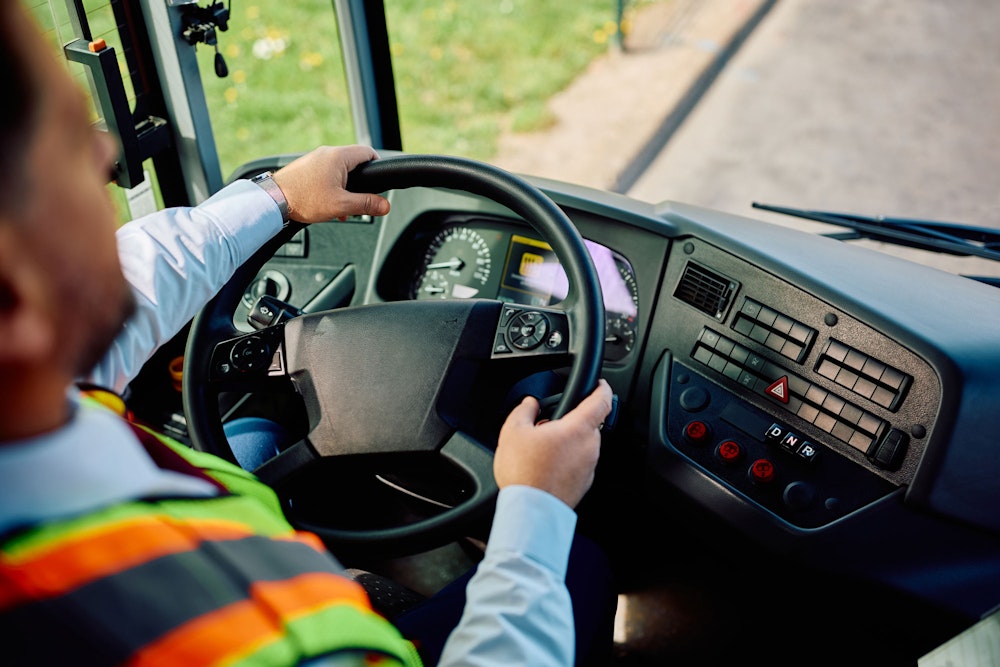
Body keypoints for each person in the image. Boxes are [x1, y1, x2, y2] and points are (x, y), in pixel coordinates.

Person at [0, 2, 615, 665]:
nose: (105, 150)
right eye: (69, 141)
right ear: (17, 300)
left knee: (256, 426)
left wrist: (277, 197)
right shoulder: (206, 636)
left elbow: (143, 272)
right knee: (575, 561)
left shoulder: (36, 397)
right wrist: (532, 504)